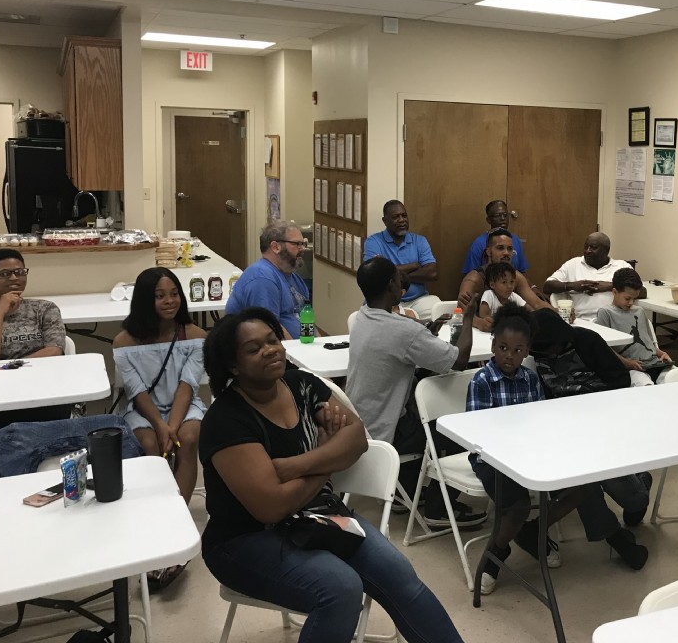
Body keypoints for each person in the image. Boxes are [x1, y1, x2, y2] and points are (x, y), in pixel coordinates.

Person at [199, 307, 465, 643]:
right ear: (233, 365)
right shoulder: (226, 420)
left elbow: (356, 439)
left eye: (272, 340)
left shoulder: (301, 385)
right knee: (340, 589)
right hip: (244, 540)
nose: (270, 350)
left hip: (316, 515)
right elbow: (271, 507)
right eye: (254, 349)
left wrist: (299, 465)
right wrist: (327, 458)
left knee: (399, 574)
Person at [467, 305, 624, 593]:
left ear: (527, 351)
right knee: (518, 506)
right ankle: (495, 554)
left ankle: (533, 532)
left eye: (517, 350)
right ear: (493, 346)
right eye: (503, 348)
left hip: (530, 453)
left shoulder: (530, 379)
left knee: (581, 487)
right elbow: (478, 434)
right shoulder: (482, 381)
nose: (509, 355)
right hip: (492, 459)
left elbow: (540, 420)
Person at [348, 256, 485, 527]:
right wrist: (468, 317)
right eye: (398, 278)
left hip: (360, 423)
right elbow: (459, 360)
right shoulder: (403, 330)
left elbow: (400, 342)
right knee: (458, 428)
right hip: (386, 432)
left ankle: (405, 492)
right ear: (392, 286)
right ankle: (437, 508)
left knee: (415, 412)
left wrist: (423, 334)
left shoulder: (363, 316)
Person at [529, 308, 652, 557]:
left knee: (634, 499)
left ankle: (641, 483)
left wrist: (588, 403)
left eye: (552, 348)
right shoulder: (537, 353)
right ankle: (616, 539)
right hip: (567, 429)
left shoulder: (587, 341)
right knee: (582, 482)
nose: (549, 354)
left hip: (601, 421)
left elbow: (620, 380)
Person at [113, 266, 207, 590]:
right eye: (160, 295)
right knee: (150, 445)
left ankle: (174, 522)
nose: (170, 301)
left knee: (188, 438)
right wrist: (160, 425)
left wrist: (173, 426)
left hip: (183, 406)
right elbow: (136, 391)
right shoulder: (124, 341)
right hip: (145, 409)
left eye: (174, 294)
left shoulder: (194, 335)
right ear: (145, 300)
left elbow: (188, 384)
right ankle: (152, 520)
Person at [0, 248, 67, 446]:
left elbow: (54, 351)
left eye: (20, 272)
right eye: (4, 274)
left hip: (42, 389)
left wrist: (9, 368)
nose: (14, 278)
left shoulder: (44, 309)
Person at [225, 221, 310, 338]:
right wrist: (297, 349)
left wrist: (320, 345)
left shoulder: (294, 278)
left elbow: (307, 321)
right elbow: (270, 330)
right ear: (275, 247)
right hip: (278, 348)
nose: (302, 248)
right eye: (297, 244)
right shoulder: (262, 278)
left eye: (303, 243)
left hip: (302, 345)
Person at [459, 229, 552, 332]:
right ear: (488, 251)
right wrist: (479, 323)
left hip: (510, 332)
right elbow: (461, 310)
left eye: (510, 249)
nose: (506, 253)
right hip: (478, 334)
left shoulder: (517, 276)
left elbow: (537, 304)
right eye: (500, 248)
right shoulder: (474, 279)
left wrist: (559, 314)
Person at [362, 201, 440, 321]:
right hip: (384, 301)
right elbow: (375, 274)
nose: (401, 220)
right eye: (395, 217)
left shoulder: (420, 241)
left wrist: (393, 275)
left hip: (418, 301)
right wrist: (414, 266)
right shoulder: (373, 242)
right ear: (385, 221)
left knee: (437, 311)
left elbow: (432, 273)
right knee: (386, 321)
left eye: (404, 215)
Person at [595, 267, 674, 384]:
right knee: (645, 384)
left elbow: (648, 344)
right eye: (627, 298)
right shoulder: (606, 313)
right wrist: (628, 363)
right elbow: (605, 349)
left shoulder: (639, 311)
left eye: (634, 299)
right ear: (614, 292)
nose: (631, 303)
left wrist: (662, 353)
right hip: (631, 369)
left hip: (654, 363)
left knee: (677, 379)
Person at [544, 233, 645, 321]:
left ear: (606, 250)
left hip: (615, 321)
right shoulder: (573, 264)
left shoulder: (621, 266)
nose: (588, 251)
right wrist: (572, 285)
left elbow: (642, 292)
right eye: (586, 246)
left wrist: (609, 286)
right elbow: (547, 287)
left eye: (593, 247)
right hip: (581, 321)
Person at [461, 199, 530, 275]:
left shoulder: (515, 239)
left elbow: (522, 271)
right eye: (498, 215)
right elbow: (470, 275)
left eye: (505, 215)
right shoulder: (479, 244)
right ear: (488, 220)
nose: (503, 218)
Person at [476, 261, 526, 328]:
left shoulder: (514, 296)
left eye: (512, 282)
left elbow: (529, 311)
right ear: (492, 285)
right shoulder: (489, 295)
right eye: (504, 282)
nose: (509, 286)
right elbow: (483, 315)